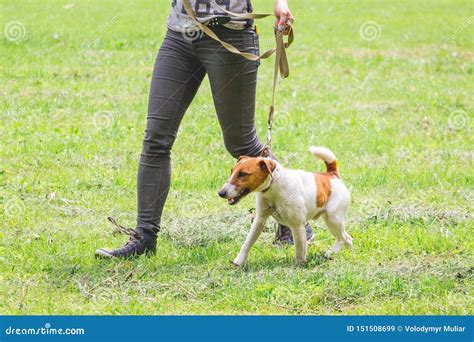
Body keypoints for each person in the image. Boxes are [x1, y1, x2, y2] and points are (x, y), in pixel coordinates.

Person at [95, 0, 313, 258]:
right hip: (180, 34)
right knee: (156, 138)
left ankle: (294, 221)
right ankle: (144, 238)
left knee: (241, 143)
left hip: (230, 34)